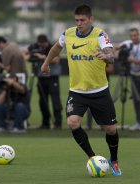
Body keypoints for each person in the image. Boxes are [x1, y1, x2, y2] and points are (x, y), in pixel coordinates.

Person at [41, 4, 122, 176]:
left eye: (82, 20)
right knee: (72, 123)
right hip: (77, 92)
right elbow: (56, 48)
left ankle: (113, 160)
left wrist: (106, 56)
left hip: (99, 91)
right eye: (77, 20)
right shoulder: (68, 34)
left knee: (110, 130)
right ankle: (93, 158)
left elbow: (111, 55)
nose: (79, 23)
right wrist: (46, 62)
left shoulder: (100, 34)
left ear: (90, 19)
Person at [24, 34, 62, 130]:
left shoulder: (52, 46)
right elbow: (24, 54)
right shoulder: (34, 47)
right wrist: (30, 57)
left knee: (55, 100)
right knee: (43, 101)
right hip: (41, 77)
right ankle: (45, 123)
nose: (41, 46)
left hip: (52, 76)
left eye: (43, 45)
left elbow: (56, 60)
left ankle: (58, 123)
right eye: (40, 44)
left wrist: (42, 57)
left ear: (46, 42)